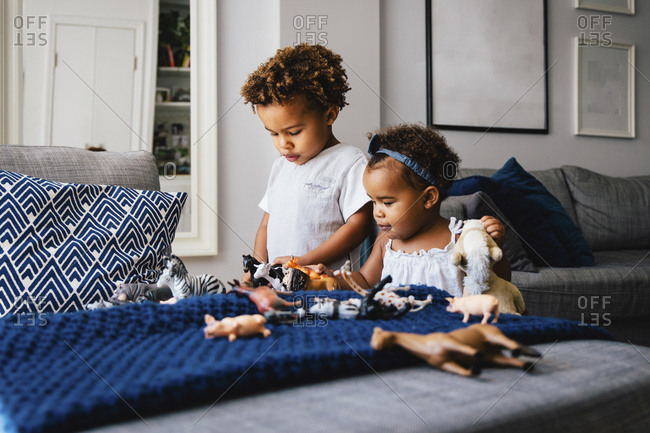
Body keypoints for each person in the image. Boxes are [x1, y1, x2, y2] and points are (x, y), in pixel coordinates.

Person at [321, 123, 509, 298]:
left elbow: (498, 283)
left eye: (386, 203)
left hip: (447, 330)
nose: (377, 212)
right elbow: (366, 281)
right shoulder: (386, 242)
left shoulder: (462, 237)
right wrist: (332, 278)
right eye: (373, 202)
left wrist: (492, 250)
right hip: (397, 329)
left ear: (428, 198)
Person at [240, 44, 373, 272]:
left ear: (329, 114)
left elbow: (359, 226)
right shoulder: (280, 167)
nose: (284, 144)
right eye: (273, 133)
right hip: (277, 284)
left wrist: (303, 260)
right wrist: (255, 269)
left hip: (324, 286)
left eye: (294, 132)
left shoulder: (349, 162)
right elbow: (265, 226)